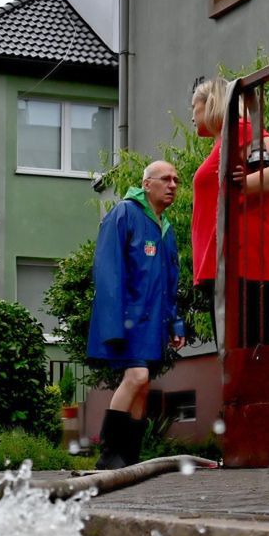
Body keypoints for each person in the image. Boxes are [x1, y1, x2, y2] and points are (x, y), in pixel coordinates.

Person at [87, 161, 185, 470]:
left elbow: (171, 283)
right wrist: (112, 324)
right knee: (136, 377)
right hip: (126, 321)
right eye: (165, 179)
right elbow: (107, 270)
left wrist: (175, 323)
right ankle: (108, 455)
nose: (172, 185)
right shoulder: (125, 214)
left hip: (151, 324)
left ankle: (129, 457)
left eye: (176, 180)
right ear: (146, 184)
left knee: (143, 385)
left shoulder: (165, 229)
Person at [189, 76, 269, 348]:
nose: (191, 115)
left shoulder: (242, 130)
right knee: (239, 352)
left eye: (194, 106)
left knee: (241, 353)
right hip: (231, 261)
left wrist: (244, 185)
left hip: (242, 262)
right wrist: (249, 193)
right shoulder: (225, 141)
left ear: (210, 103)